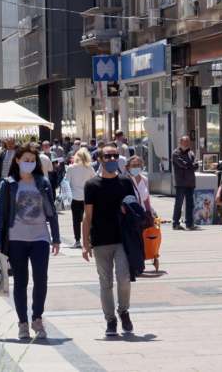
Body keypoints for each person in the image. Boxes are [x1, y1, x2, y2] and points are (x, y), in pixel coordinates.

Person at [0, 143, 61, 340]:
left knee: (41, 279)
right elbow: (0, 214)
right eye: (26, 160)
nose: (29, 164)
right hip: (16, 239)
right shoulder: (8, 184)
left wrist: (56, 237)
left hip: (40, 237)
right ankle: (22, 323)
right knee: (21, 282)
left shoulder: (43, 182)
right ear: (17, 160)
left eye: (33, 161)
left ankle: (37, 318)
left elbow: (52, 212)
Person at [82, 143, 137, 337]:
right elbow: (87, 216)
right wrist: (85, 243)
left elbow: (135, 209)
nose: (112, 160)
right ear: (99, 159)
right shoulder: (91, 185)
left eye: (115, 156)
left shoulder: (125, 182)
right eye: (108, 157)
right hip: (100, 240)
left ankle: (124, 311)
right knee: (105, 283)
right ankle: (110, 320)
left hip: (122, 239)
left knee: (124, 279)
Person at [67, 148, 95, 249]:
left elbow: (67, 182)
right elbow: (94, 181)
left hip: (75, 197)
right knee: (88, 219)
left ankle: (77, 240)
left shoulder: (71, 168)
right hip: (87, 197)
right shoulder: (90, 168)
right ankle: (90, 240)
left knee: (76, 220)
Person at [171, 135, 198, 231]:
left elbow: (196, 165)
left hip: (190, 182)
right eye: (185, 142)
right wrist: (190, 165)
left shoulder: (191, 153)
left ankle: (189, 224)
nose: (187, 144)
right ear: (180, 143)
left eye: (188, 142)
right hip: (181, 182)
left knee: (190, 204)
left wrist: (189, 165)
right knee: (179, 203)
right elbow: (182, 164)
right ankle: (175, 223)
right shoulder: (176, 153)